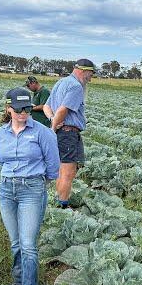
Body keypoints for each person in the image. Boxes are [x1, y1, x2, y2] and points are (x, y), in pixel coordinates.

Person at [0, 87, 60, 285]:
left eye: (27, 108)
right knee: (15, 242)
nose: (24, 113)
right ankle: (19, 282)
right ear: (9, 108)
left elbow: (53, 164)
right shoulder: (0, 133)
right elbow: (0, 158)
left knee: (28, 244)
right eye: (19, 109)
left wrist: (41, 184)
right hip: (6, 188)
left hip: (32, 189)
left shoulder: (42, 132)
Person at [43, 58, 98, 208]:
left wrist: (52, 119)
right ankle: (62, 206)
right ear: (83, 71)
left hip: (63, 132)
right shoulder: (76, 86)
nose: (91, 78)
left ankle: (58, 201)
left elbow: (46, 107)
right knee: (67, 172)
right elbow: (63, 110)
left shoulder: (61, 82)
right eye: (90, 74)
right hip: (68, 134)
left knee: (62, 171)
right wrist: (53, 128)